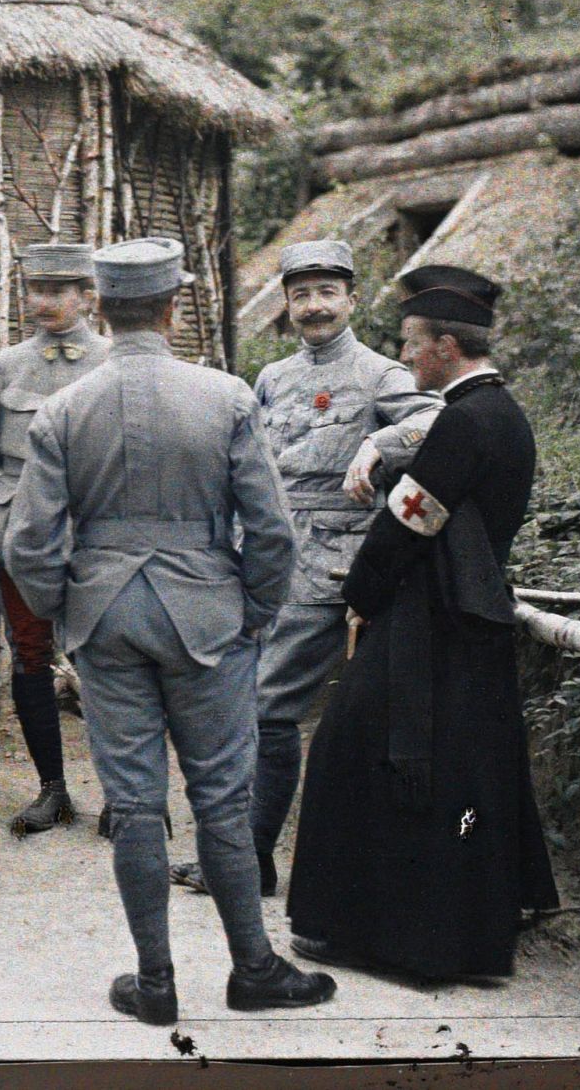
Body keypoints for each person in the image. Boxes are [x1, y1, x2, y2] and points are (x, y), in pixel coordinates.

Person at [4, 237, 335, 1026]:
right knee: (222, 801)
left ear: (103, 309)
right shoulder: (224, 397)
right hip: (209, 618)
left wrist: (66, 613)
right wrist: (252, 611)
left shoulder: (62, 408)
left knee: (136, 803)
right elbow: (274, 533)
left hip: (106, 618)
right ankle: (252, 968)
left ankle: (155, 983)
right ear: (171, 307)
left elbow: (28, 543)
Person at [285, 265, 560, 983]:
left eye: (411, 343)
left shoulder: (463, 422)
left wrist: (362, 591)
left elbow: (408, 524)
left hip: (429, 623)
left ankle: (359, 933)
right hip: (468, 621)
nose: (404, 356)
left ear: (444, 344)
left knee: (351, 751)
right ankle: (449, 936)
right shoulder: (506, 415)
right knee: (453, 781)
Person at [172, 239, 439, 897]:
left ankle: (249, 858)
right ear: (286, 305)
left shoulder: (381, 375)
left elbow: (438, 421)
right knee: (248, 706)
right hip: (264, 560)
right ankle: (248, 855)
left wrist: (378, 440)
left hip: (332, 563)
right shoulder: (273, 379)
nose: (314, 306)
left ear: (352, 299)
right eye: (301, 294)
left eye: (327, 292)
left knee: (270, 705)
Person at [0, 243, 103, 835]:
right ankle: (53, 790)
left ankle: (126, 795)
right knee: (31, 657)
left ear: (88, 297)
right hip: (19, 534)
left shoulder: (114, 362)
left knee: (107, 663)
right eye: (34, 290)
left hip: (93, 535)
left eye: (58, 291)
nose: (42, 302)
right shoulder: (4, 367)